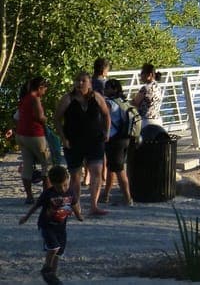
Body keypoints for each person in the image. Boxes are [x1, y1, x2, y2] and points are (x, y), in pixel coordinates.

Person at [55, 72, 110, 217]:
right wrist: (63, 138)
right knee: (75, 176)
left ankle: (94, 206)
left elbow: (106, 114)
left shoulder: (97, 97)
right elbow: (57, 119)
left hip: (95, 140)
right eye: (77, 80)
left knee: (96, 171)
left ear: (89, 83)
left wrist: (107, 131)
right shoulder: (67, 99)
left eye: (83, 80)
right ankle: (75, 206)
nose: (80, 83)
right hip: (74, 142)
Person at [19, 165, 82, 285]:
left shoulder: (70, 192)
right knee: (54, 247)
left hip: (61, 227)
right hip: (47, 226)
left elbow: (74, 204)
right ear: (52, 183)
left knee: (58, 253)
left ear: (68, 180)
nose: (63, 189)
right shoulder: (48, 193)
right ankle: (46, 268)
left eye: (65, 185)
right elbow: (36, 206)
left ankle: (52, 275)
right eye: (59, 186)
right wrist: (26, 217)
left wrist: (78, 215)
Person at [17, 77, 51, 204]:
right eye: (45, 89)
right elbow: (40, 117)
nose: (45, 92)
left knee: (27, 166)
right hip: (35, 134)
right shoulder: (35, 99)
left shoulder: (23, 98)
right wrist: (46, 119)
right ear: (40, 88)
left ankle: (29, 196)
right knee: (47, 164)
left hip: (21, 134)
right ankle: (46, 195)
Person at [102, 79, 133, 206]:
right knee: (111, 167)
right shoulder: (123, 101)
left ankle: (128, 199)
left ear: (114, 89)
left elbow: (104, 118)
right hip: (125, 138)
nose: (105, 90)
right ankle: (106, 195)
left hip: (114, 139)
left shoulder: (109, 103)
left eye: (107, 87)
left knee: (119, 169)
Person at [131, 63, 162, 127]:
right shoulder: (158, 87)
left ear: (149, 75)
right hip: (157, 120)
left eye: (142, 73)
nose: (140, 76)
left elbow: (135, 103)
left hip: (146, 121)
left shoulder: (145, 88)